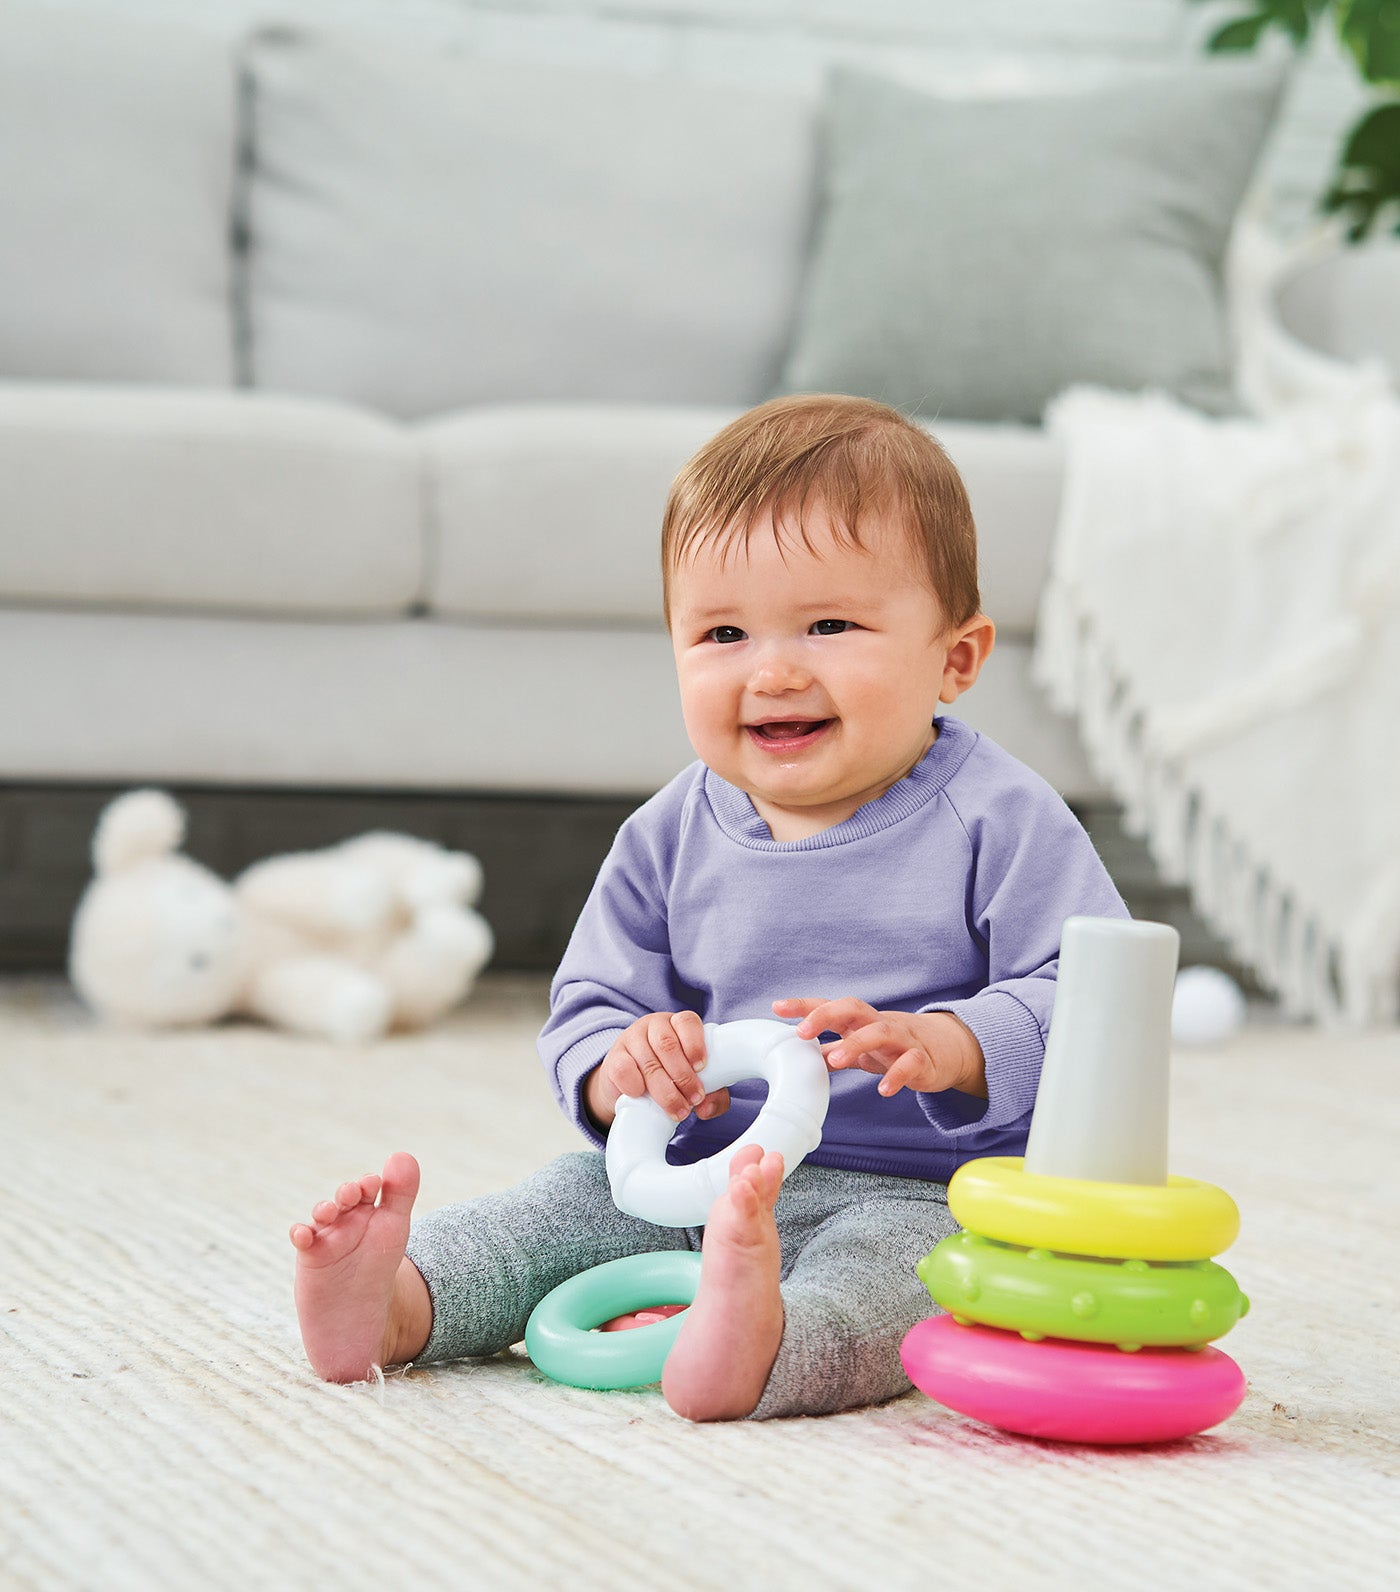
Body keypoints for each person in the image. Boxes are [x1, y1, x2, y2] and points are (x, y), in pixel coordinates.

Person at [289, 393, 1129, 1420]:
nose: (772, 668)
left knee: (908, 1286)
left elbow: (1092, 992)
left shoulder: (997, 818)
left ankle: (763, 1340)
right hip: (681, 1171)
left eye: (828, 623)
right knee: (553, 1208)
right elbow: (594, 997)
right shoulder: (666, 830)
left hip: (907, 1188)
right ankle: (397, 1300)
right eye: (722, 632)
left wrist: (952, 1039)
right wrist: (621, 1067)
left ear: (952, 658)